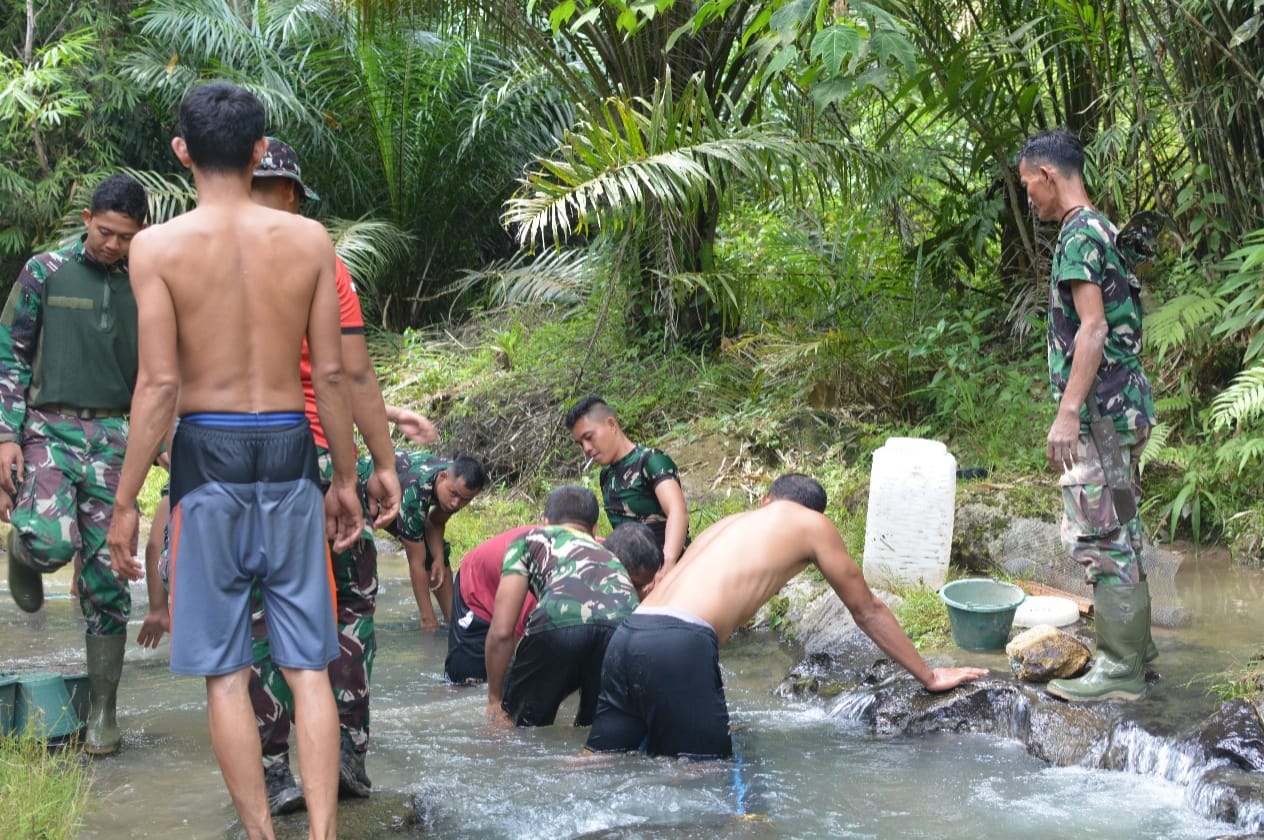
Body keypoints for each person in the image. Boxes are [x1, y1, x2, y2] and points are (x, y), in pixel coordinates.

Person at [106, 81, 398, 840]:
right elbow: (332, 375)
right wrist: (343, 477)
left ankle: (264, 836)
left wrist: (127, 501)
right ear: (262, 150)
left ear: (182, 153)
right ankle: (325, 834)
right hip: (291, 451)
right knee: (308, 666)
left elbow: (160, 383)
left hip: (208, 455)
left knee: (228, 674)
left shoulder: (156, 248)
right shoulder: (308, 243)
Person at [246, 137, 434, 813]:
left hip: (233, 460)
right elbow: (349, 372)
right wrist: (377, 467)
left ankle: (270, 768)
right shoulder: (321, 259)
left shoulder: (195, 248)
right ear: (294, 192)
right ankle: (348, 750)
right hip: (318, 454)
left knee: (258, 613)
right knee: (349, 605)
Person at [583, 474, 987, 759]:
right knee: (701, 776)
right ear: (815, 512)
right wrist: (930, 676)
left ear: (766, 500)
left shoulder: (728, 524)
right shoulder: (811, 525)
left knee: (601, 759)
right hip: (679, 641)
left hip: (630, 635)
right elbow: (867, 609)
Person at [0, 173, 148, 755]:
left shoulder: (147, 281)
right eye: (105, 231)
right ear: (88, 217)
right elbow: (8, 352)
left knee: (110, 578)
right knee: (50, 546)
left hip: (114, 435)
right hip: (49, 425)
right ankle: (23, 550)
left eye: (125, 236)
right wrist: (5, 436)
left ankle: (103, 714)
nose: (112, 245)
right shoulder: (45, 270)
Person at [1017, 129, 1157, 703]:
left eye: (1028, 186)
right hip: (1126, 409)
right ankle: (1138, 653)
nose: (1029, 198)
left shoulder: (1078, 238)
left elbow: (1093, 328)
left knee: (1102, 535)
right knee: (1123, 524)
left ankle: (1120, 670)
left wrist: (1067, 412)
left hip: (1100, 417)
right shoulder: (1104, 227)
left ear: (1049, 176)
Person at [485, 487, 662, 728]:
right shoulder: (608, 550)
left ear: (544, 522)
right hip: (622, 633)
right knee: (593, 730)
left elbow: (502, 631)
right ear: (595, 529)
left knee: (518, 728)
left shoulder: (531, 539)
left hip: (558, 623)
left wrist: (495, 700)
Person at [565, 396, 689, 573]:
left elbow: (678, 511)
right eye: (580, 443)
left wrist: (667, 566)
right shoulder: (606, 476)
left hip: (674, 568)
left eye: (589, 437)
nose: (586, 448)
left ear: (611, 424)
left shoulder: (651, 461)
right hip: (634, 573)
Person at [368, 451, 487, 631]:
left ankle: (453, 621)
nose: (456, 504)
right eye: (454, 494)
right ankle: (431, 622)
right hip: (363, 486)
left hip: (397, 486)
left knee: (436, 554)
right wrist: (428, 619)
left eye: (465, 500)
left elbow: (435, 521)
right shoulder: (415, 495)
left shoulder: (455, 485)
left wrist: (439, 557)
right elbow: (416, 562)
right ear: (443, 476)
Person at [444, 525, 538, 685]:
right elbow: (509, 637)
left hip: (510, 573)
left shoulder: (594, 555)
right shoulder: (536, 588)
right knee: (462, 683)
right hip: (477, 584)